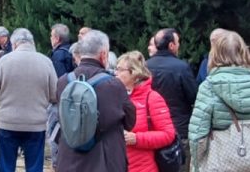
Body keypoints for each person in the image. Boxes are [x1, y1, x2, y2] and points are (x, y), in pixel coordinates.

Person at [189, 31, 250, 171]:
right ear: (244, 53)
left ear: (215, 54)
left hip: (217, 166)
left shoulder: (208, 87)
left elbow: (197, 135)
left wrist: (198, 164)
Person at [55, 29, 135, 172]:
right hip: (104, 160)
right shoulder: (113, 85)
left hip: (68, 159)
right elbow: (130, 121)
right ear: (104, 54)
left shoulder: (63, 82)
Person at [0, 28, 58, 172]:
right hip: (35, 123)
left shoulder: (5, 60)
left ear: (14, 44)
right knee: (34, 166)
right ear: (32, 43)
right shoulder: (46, 62)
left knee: (6, 166)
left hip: (8, 122)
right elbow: (55, 95)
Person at [115, 50, 176, 172]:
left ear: (134, 73)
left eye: (120, 70)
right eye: (116, 69)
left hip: (143, 167)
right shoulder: (115, 96)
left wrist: (137, 139)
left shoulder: (152, 98)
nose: (115, 73)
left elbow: (169, 135)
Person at [146, 27, 197, 163]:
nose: (179, 45)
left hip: (152, 128)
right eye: (178, 42)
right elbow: (193, 96)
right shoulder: (181, 67)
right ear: (171, 45)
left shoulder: (145, 67)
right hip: (179, 128)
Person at [47, 23, 75, 167]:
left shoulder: (58, 55)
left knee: (54, 135)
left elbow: (59, 80)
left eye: (51, 36)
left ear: (57, 38)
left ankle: (57, 165)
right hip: (73, 99)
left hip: (60, 102)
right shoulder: (72, 51)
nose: (50, 38)